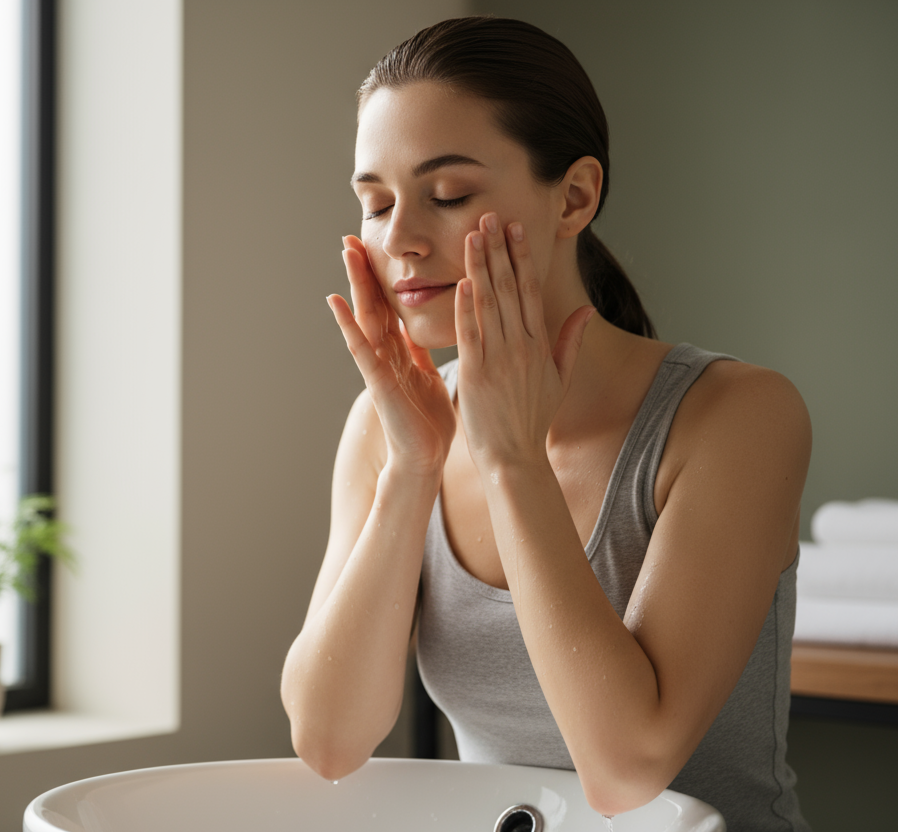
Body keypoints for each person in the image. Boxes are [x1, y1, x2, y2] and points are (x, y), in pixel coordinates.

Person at [280, 16, 811, 831]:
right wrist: (413, 467)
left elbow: (627, 770)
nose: (402, 241)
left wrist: (511, 462)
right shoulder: (389, 427)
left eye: (448, 195)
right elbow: (327, 742)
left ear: (574, 197)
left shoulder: (737, 417)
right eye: (376, 203)